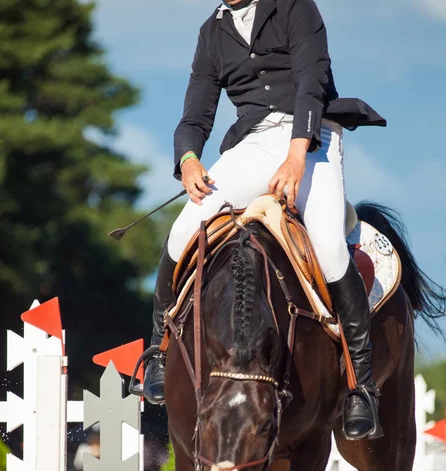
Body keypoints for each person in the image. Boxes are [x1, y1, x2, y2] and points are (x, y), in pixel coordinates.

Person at [142, 0, 387, 441]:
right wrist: (189, 159)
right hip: (252, 144)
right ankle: (159, 352)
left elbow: (312, 82)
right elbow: (196, 114)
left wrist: (298, 154)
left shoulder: (294, 7)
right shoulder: (211, 32)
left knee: (329, 248)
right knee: (181, 234)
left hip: (313, 137)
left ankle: (360, 385)